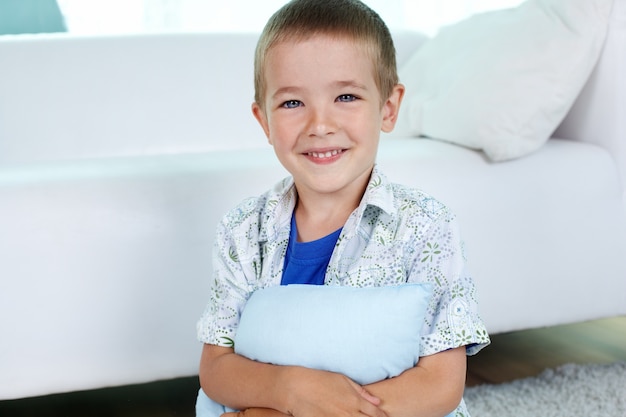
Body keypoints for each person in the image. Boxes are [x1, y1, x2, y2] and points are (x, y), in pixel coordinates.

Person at [196, 0, 490, 416]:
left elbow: (440, 383)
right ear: (264, 121)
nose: (320, 124)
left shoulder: (425, 226)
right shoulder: (243, 230)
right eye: (292, 103)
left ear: (387, 108)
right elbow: (216, 368)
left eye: (346, 96)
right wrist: (288, 389)